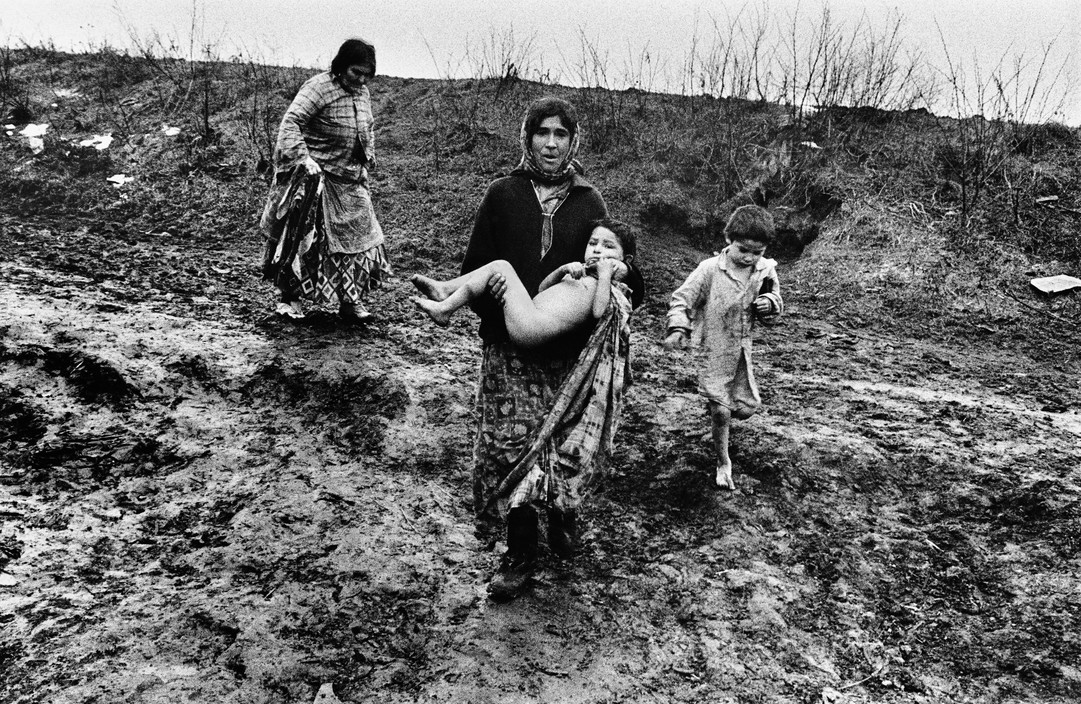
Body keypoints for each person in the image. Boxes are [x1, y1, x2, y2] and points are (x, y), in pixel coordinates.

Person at [456, 96, 643, 601]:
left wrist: (621, 276)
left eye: (562, 134)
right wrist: (514, 324)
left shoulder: (589, 202)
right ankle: (519, 553)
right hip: (508, 351)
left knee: (560, 449)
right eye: (543, 133)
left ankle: (562, 515)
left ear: (574, 141)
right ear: (528, 137)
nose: (552, 144)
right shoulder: (502, 194)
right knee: (512, 448)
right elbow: (476, 264)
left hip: (567, 357)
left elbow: (616, 263)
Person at [260, 38, 391, 324]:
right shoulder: (319, 87)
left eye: (367, 74)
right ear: (342, 66)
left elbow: (367, 128)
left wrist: (367, 157)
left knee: (361, 237)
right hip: (317, 179)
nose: (361, 79)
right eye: (356, 72)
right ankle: (289, 298)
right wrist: (302, 159)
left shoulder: (363, 94)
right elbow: (291, 121)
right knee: (307, 240)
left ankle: (350, 300)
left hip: (350, 179)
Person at [663, 204, 783, 490]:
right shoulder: (709, 270)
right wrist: (678, 327)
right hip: (712, 348)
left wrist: (770, 305)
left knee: (745, 409)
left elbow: (776, 305)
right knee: (721, 411)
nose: (750, 257)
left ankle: (723, 421)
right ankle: (722, 462)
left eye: (758, 252)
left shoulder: (765, 271)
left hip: (742, 350)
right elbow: (682, 298)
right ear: (728, 240)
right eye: (744, 250)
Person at [410, 221, 632, 347]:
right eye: (593, 243)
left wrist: (605, 276)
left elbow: (598, 312)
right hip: (528, 314)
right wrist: (563, 270)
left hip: (532, 329)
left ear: (625, 261)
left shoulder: (609, 288)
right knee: (498, 268)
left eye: (608, 246)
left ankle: (445, 303)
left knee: (501, 267)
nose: (598, 250)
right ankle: (445, 292)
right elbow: (543, 289)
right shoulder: (582, 274)